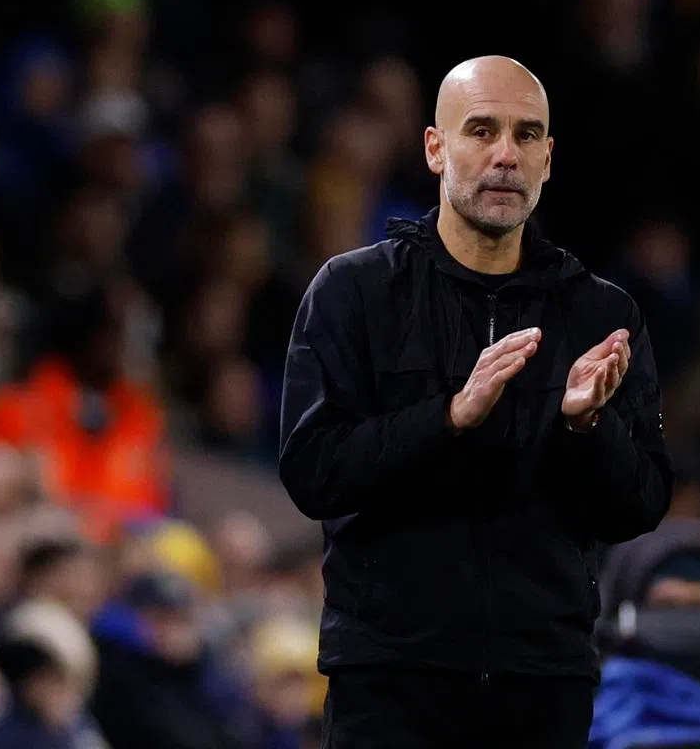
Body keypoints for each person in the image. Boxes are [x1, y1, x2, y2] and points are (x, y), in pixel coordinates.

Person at [278, 55, 674, 748]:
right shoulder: (355, 292)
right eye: (481, 131)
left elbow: (643, 501)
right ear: (436, 148)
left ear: (548, 159)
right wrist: (448, 417)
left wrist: (588, 426)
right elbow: (313, 469)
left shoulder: (600, 314)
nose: (505, 155)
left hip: (542, 688)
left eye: (526, 136)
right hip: (391, 681)